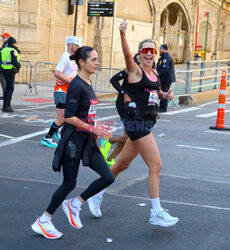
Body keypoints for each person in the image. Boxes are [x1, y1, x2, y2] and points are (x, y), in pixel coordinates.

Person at [88, 18, 179, 228]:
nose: (148, 54)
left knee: (122, 163)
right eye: (145, 50)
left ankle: (94, 194)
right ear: (140, 53)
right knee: (156, 166)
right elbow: (127, 54)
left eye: (152, 51)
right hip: (138, 125)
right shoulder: (135, 70)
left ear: (155, 54)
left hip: (147, 122)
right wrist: (122, 34)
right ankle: (156, 212)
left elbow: (155, 93)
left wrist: (166, 95)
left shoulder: (154, 73)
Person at [31, 46, 115, 239]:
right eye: (93, 60)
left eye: (97, 59)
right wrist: (93, 129)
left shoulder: (87, 82)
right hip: (73, 142)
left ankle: (75, 203)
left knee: (108, 177)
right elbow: (68, 116)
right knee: (69, 183)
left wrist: (96, 131)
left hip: (87, 140)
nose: (97, 62)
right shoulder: (76, 84)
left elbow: (86, 114)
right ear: (81, 63)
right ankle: (43, 220)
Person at [41, 36, 81, 148]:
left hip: (67, 91)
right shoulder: (65, 57)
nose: (78, 47)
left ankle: (56, 129)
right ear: (69, 45)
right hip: (61, 91)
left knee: (69, 116)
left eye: (78, 45)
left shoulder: (71, 58)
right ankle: (47, 137)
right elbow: (57, 73)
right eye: (76, 45)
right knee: (63, 118)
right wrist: (71, 82)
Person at [0, 36, 20, 112]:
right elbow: (15, 63)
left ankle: (5, 106)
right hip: (11, 71)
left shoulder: (3, 50)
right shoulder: (13, 50)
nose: (16, 44)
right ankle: (7, 106)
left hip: (4, 70)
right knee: (10, 88)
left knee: (7, 89)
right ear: (13, 43)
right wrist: (18, 66)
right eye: (15, 43)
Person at [156, 44, 176, 112]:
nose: (160, 50)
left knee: (164, 91)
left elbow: (164, 69)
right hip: (164, 79)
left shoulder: (166, 57)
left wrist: (158, 74)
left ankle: (163, 107)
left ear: (165, 49)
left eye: (161, 49)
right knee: (163, 91)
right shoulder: (163, 57)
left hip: (166, 79)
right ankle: (161, 106)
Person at [0, 33, 10, 99]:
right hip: (3, 64)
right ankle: (5, 94)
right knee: (3, 80)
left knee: (3, 79)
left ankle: (5, 95)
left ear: (7, 37)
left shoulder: (7, 44)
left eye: (3, 37)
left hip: (4, 65)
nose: (2, 38)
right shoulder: (5, 44)